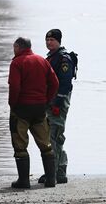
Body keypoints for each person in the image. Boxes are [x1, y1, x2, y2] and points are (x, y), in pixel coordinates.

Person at [8, 37, 59, 188]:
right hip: (39, 109)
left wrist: (13, 104)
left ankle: (23, 181)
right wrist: (47, 100)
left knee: (20, 145)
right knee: (46, 144)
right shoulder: (42, 61)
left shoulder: (17, 63)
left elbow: (15, 87)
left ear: (18, 47)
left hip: (21, 109)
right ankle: (51, 180)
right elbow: (55, 83)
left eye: (14, 47)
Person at [39, 28, 75, 184]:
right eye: (47, 40)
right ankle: (56, 170)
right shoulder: (51, 57)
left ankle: (56, 172)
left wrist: (58, 104)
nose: (48, 42)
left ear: (59, 41)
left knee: (55, 135)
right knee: (52, 136)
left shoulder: (64, 59)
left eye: (52, 40)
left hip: (58, 102)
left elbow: (65, 84)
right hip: (49, 101)